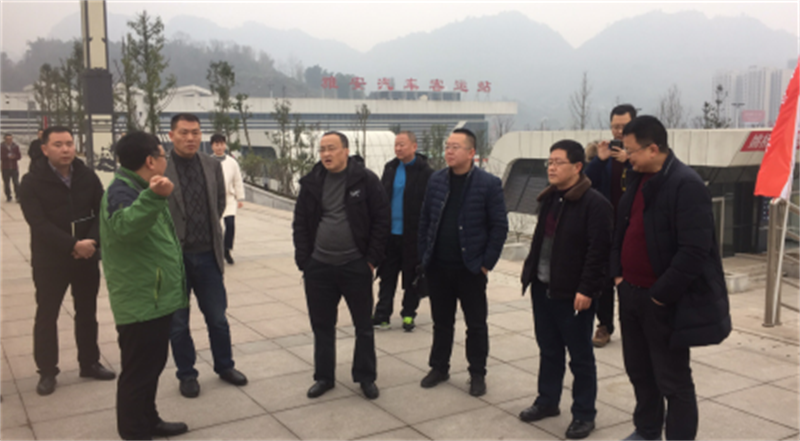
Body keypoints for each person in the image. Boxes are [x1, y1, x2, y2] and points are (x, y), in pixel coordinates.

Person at [612, 116, 731, 441]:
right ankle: (647, 430)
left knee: (673, 381)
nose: (627, 157)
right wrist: (618, 275)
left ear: (653, 149)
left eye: (631, 150)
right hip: (630, 292)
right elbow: (622, 229)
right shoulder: (638, 179)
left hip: (661, 300)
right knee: (639, 371)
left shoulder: (685, 184)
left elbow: (694, 251)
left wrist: (659, 295)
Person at [518, 140, 613, 439]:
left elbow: (599, 253)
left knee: (580, 356)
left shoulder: (595, 204)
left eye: (558, 162)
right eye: (549, 162)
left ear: (577, 167)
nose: (552, 167)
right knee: (549, 350)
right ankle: (547, 401)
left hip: (573, 295)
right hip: (543, 287)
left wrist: (587, 289)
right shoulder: (550, 197)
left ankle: (584, 414)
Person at [100, 132, 189, 441]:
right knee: (138, 373)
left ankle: (149, 420)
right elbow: (125, 226)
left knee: (151, 367)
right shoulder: (122, 191)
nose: (165, 161)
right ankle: (134, 433)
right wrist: (154, 197)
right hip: (141, 301)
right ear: (150, 161)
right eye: (163, 155)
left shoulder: (139, 186)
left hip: (154, 297)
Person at [19, 126, 116, 396]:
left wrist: (92, 242)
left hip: (86, 256)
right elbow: (38, 223)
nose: (65, 149)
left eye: (69, 144)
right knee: (47, 315)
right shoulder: (31, 182)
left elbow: (102, 211)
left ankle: (89, 362)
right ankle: (47, 371)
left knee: (87, 312)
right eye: (58, 144)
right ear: (45, 149)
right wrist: (73, 245)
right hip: (50, 260)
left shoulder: (87, 176)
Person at [292, 131, 389, 400]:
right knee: (322, 326)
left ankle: (366, 377)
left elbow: (381, 220)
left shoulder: (365, 180)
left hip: (355, 265)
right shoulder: (311, 182)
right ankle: (324, 377)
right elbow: (300, 223)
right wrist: (305, 261)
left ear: (346, 151)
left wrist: (371, 260)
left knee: (363, 326)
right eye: (322, 149)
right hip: (319, 267)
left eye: (332, 148)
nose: (326, 154)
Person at [417, 128, 508, 397]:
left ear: (471, 153)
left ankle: (477, 373)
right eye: (447, 146)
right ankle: (439, 367)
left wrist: (486, 263)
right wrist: (424, 255)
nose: (449, 151)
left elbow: (499, 227)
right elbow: (425, 220)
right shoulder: (436, 180)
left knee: (476, 325)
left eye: (455, 147)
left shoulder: (488, 184)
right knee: (441, 322)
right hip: (438, 266)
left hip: (470, 268)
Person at [165, 113, 247, 398]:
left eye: (195, 133)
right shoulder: (161, 166)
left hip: (208, 255)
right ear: (171, 135)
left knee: (218, 318)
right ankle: (187, 374)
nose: (190, 138)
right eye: (184, 132)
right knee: (178, 323)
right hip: (175, 259)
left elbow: (219, 203)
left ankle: (225, 366)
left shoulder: (211, 165)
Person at [584, 104, 637, 348]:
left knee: (630, 278)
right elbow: (586, 182)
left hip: (632, 227)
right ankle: (604, 325)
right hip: (607, 226)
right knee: (604, 279)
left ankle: (633, 325)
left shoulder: (641, 154)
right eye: (615, 126)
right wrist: (599, 160)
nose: (618, 131)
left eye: (623, 126)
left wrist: (630, 161)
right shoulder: (603, 156)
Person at [373, 131, 433, 331]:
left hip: (413, 235)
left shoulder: (425, 172)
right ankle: (382, 315)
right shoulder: (390, 168)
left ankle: (408, 314)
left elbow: (430, 205)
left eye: (402, 145)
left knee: (412, 276)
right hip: (390, 234)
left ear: (414, 147)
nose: (398, 148)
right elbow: (381, 199)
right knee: (387, 276)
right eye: (396, 145)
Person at [210, 134, 245, 264]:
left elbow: (237, 180)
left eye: (222, 144)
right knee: (215, 227)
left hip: (229, 198)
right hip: (213, 199)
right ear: (212, 146)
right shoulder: (208, 162)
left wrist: (240, 198)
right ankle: (215, 250)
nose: (219, 147)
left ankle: (227, 249)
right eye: (216, 144)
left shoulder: (232, 162)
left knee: (230, 225)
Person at [2, 133, 22, 202]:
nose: (9, 140)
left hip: (14, 167)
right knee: (6, 183)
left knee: (16, 182)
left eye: (10, 139)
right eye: (7, 139)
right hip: (5, 167)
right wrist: (7, 157)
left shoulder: (15, 146)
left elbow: (19, 156)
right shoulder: (1, 146)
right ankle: (8, 196)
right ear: (5, 139)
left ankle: (18, 196)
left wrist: (14, 157)